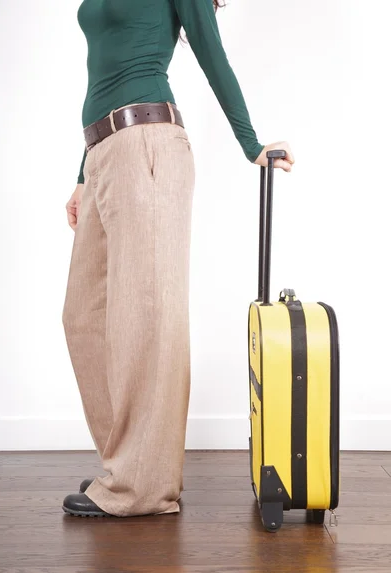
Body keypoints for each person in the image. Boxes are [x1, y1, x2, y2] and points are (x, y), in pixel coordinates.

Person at [61, 0, 294, 518]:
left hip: (148, 146)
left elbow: (211, 50)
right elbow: (104, 67)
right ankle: (127, 466)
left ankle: (142, 488)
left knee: (146, 317)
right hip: (103, 151)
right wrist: (83, 173)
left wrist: (250, 143)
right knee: (84, 315)